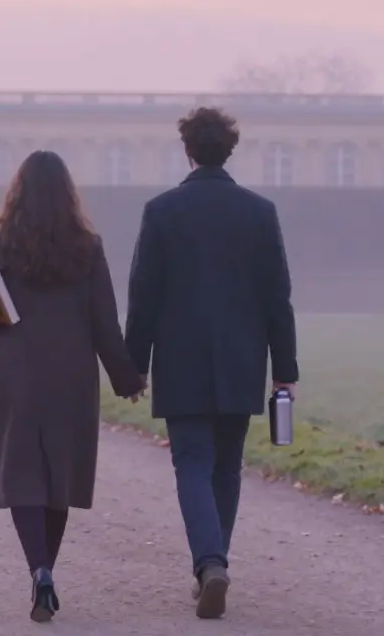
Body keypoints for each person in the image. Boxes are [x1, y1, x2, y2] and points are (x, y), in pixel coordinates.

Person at [123, 107, 298, 620]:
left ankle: (210, 563)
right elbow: (277, 298)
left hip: (182, 362)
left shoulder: (162, 211)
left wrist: (134, 364)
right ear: (229, 149)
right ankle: (213, 563)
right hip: (243, 359)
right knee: (226, 466)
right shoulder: (259, 212)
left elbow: (143, 297)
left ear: (188, 150)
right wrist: (284, 368)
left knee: (192, 464)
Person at [0, 150, 145, 623]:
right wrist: (126, 378)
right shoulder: (87, 245)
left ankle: (40, 569)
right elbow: (104, 320)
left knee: (22, 471)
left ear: (17, 190)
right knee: (58, 475)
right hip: (72, 372)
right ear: (68, 194)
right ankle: (46, 567)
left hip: (16, 370)